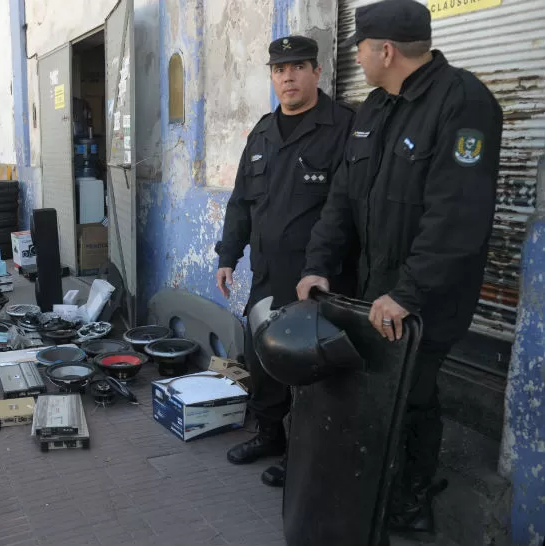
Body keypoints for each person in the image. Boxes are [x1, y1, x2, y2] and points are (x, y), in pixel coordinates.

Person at [295, 0, 503, 535]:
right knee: (377, 392)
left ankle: (412, 500)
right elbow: (341, 197)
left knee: (413, 394)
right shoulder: (376, 108)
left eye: (361, 50)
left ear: (384, 50)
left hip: (424, 298)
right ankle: (376, 485)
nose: (358, 60)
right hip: (373, 288)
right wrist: (319, 265)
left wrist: (408, 293)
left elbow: (457, 217)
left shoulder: (463, 103)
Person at [215, 36, 355, 488]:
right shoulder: (261, 133)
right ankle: (270, 434)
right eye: (279, 69)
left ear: (317, 72)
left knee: (314, 368)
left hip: (321, 279)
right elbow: (240, 203)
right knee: (264, 357)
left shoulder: (344, 128)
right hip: (269, 274)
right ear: (272, 76)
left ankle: (307, 453)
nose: (288, 76)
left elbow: (347, 209)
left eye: (298, 67)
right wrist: (227, 257)